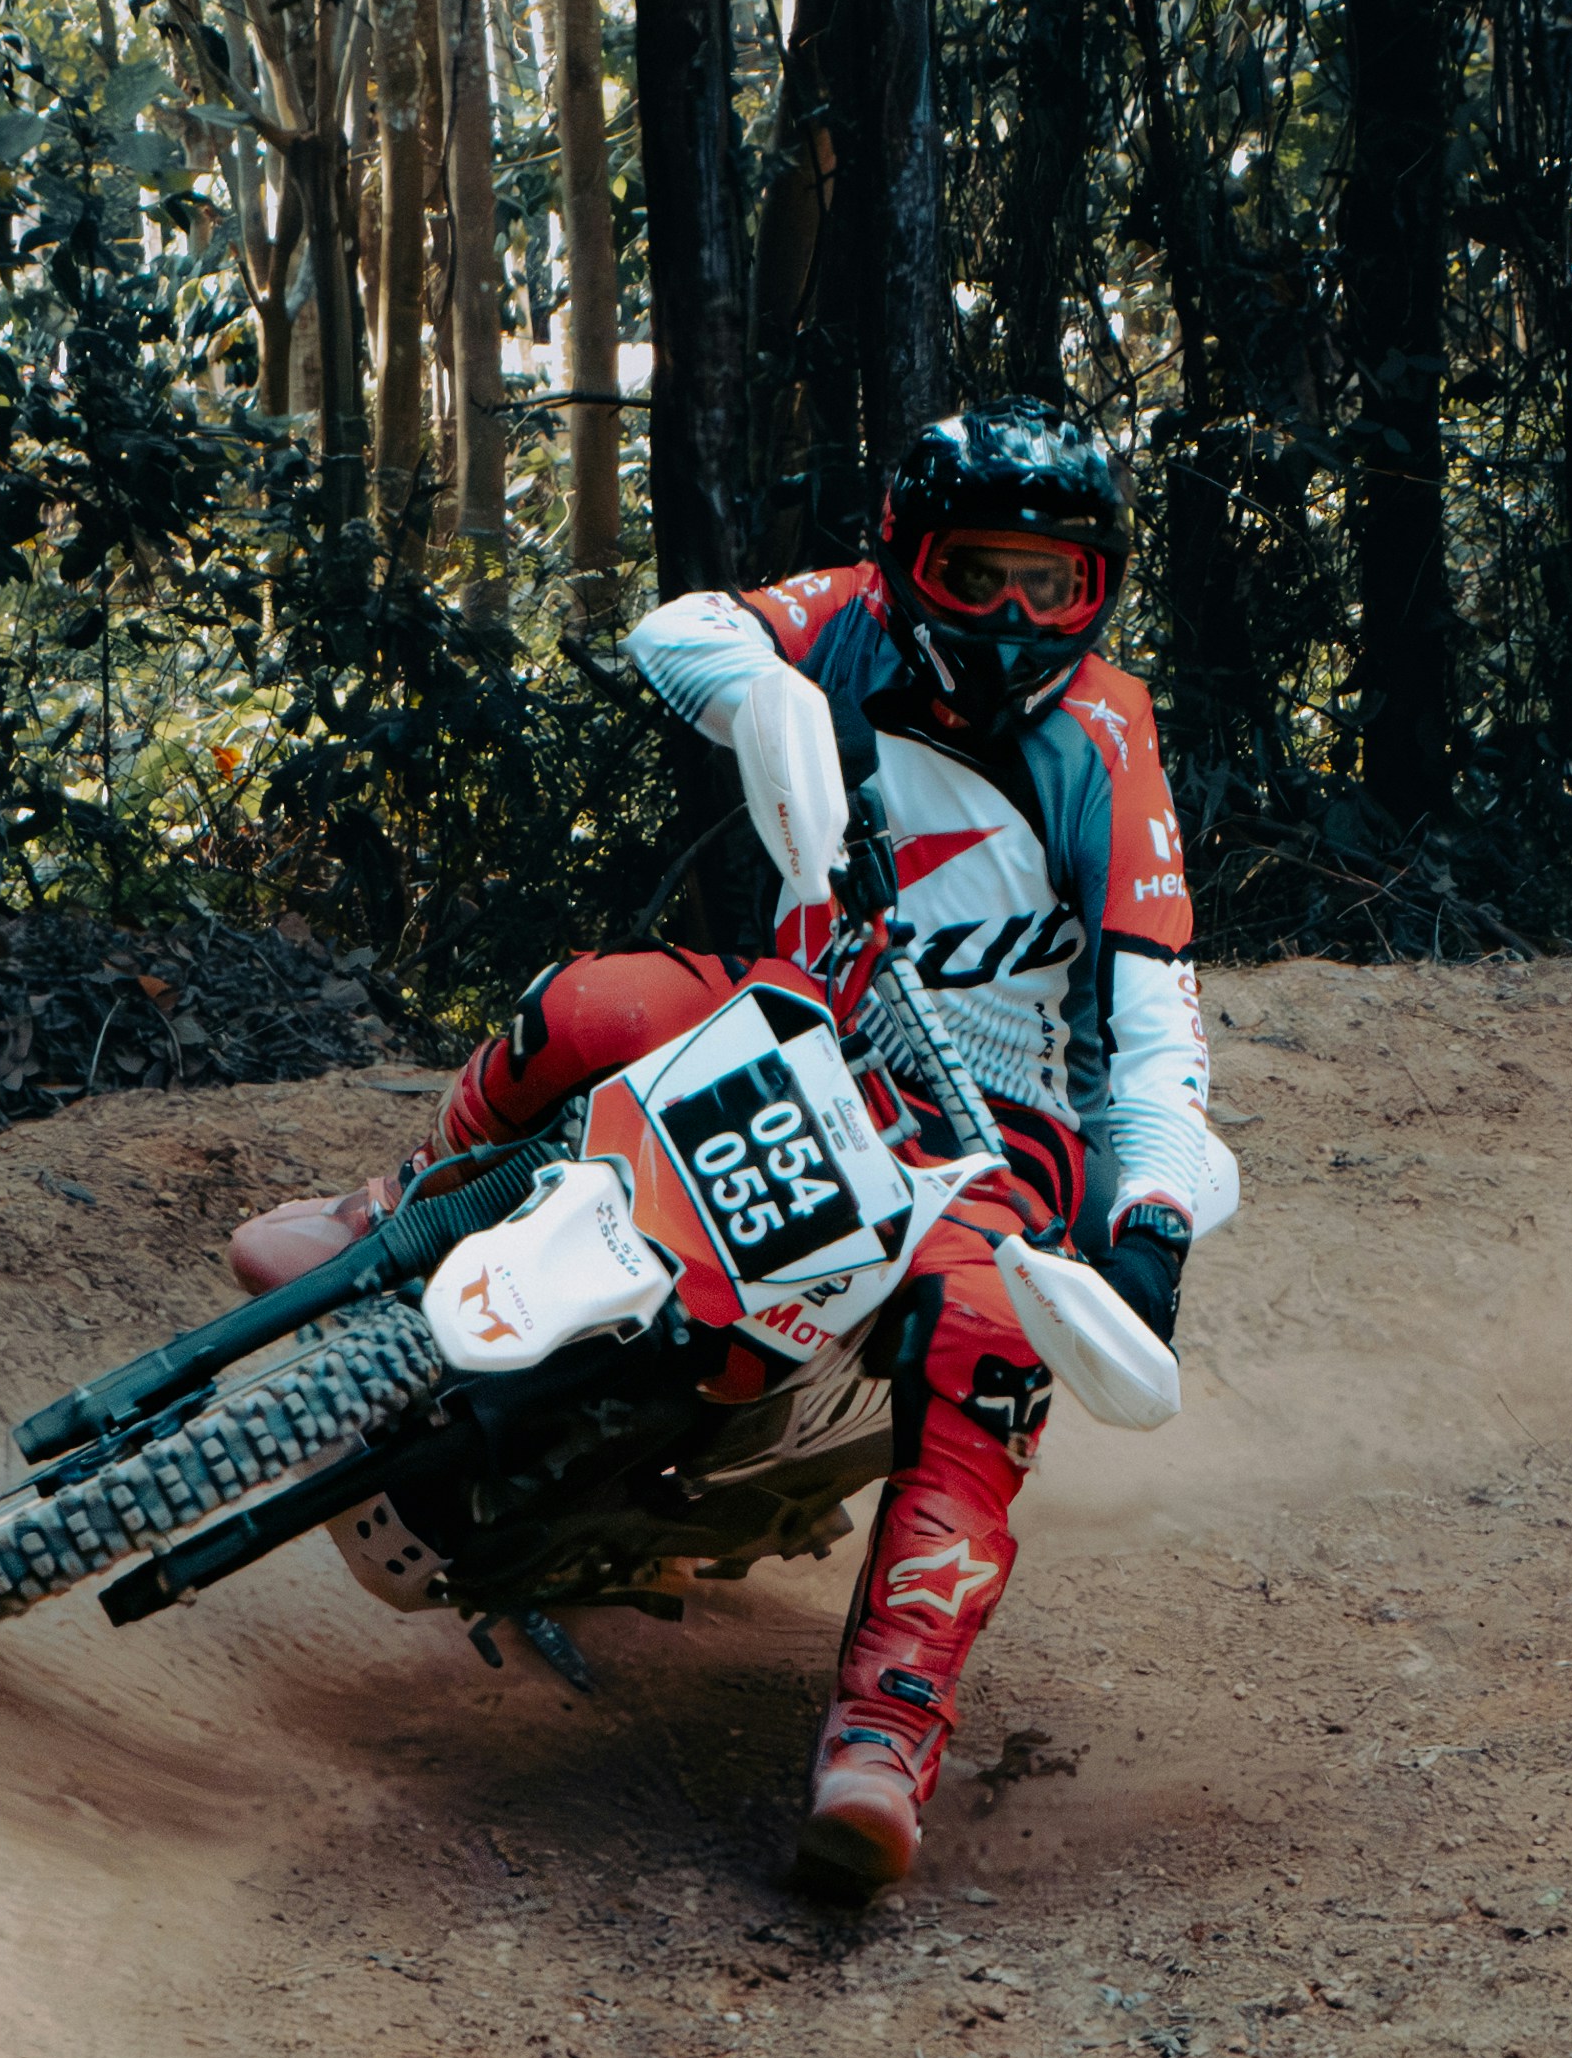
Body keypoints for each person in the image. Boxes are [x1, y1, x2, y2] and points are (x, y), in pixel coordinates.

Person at [229, 402, 1218, 1887]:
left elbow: (1155, 1025)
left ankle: (887, 1726)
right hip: (795, 1024)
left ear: (1099, 590)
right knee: (588, 1003)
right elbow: (676, 629)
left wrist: (1152, 1230)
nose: (1013, 617)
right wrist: (774, 703)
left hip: (993, 1130)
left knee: (990, 1343)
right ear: (906, 558)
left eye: (1051, 584)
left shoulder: (1107, 734)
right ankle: (407, 1203)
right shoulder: (843, 622)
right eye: (977, 573)